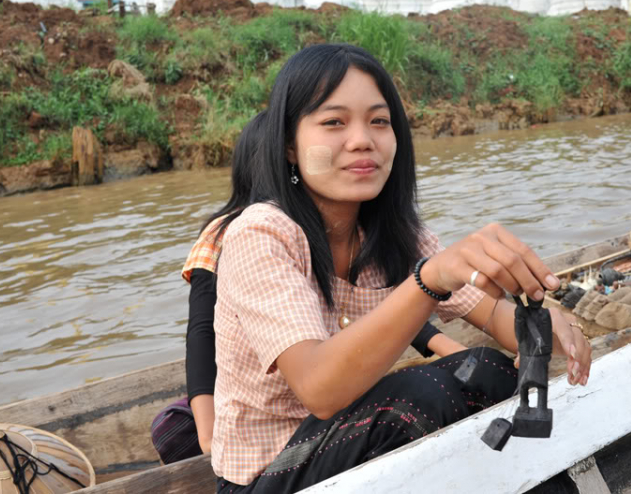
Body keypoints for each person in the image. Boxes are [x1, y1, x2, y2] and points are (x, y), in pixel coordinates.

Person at [210, 44, 591, 493]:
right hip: (271, 475)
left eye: (379, 121)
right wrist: (428, 279)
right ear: (291, 146)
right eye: (333, 122)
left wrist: (546, 325)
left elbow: (490, 315)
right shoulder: (261, 233)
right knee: (414, 400)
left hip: (352, 439)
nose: (361, 140)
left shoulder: (395, 234)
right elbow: (320, 388)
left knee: (489, 368)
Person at [151, 110, 468, 464]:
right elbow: (201, 332)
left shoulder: (326, 229)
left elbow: (390, 306)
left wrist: (456, 352)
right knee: (173, 429)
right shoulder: (239, 233)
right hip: (254, 398)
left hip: (317, 388)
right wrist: (209, 432)